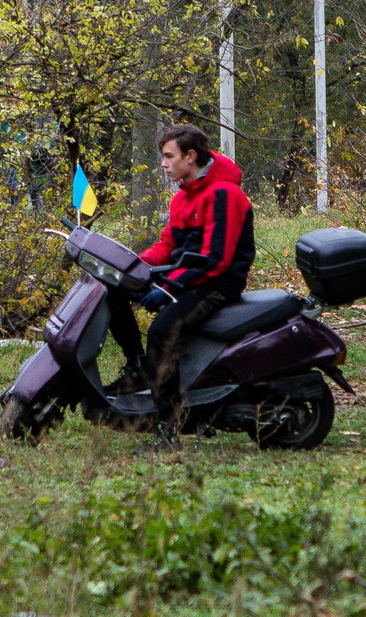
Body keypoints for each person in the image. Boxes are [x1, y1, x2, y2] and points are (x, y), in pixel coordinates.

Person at [103, 123, 255, 428]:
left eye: (169, 156)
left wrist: (169, 287)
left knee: (162, 332)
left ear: (190, 156)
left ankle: (168, 425)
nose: (163, 163)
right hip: (186, 277)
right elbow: (167, 246)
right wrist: (131, 268)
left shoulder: (225, 195)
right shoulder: (182, 198)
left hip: (216, 284)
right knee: (113, 290)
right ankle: (137, 369)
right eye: (163, 156)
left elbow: (216, 260)